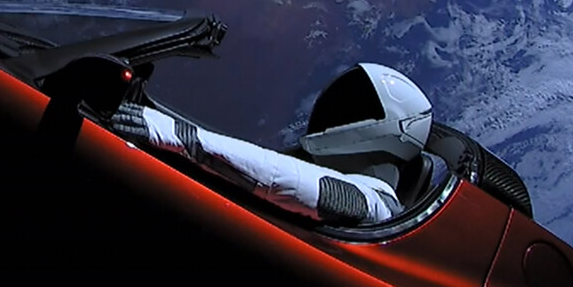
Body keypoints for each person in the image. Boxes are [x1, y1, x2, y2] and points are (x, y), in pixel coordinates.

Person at [110, 63, 432, 226]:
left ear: (389, 130)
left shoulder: (377, 208)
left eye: (353, 107)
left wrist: (177, 134)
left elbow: (290, 181)